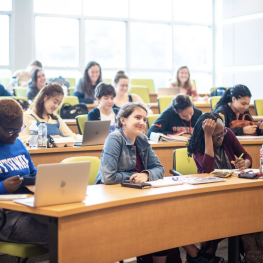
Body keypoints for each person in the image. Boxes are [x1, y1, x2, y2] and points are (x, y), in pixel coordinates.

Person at [95, 102, 223, 263]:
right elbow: (108, 177)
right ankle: (194, 255)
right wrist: (136, 175)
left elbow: (159, 168)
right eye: (137, 117)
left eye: (144, 118)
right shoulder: (114, 139)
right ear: (123, 120)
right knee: (160, 217)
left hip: (137, 194)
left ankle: (193, 255)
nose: (142, 122)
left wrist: (147, 174)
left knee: (166, 213)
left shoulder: (141, 138)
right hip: (113, 199)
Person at [187, 112, 263, 263]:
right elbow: (208, 168)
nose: (221, 138)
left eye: (222, 134)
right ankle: (209, 248)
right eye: (217, 136)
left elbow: (247, 157)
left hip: (231, 190)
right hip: (209, 193)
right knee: (224, 219)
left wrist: (244, 164)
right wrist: (208, 137)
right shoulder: (198, 143)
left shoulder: (228, 134)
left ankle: (209, 249)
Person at [0, 98, 48, 248]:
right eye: (10, 130)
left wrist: (47, 174)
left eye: (19, 128)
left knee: (71, 225)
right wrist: (3, 187)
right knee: (58, 232)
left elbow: (32, 172)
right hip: (5, 216)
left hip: (28, 207)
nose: (16, 135)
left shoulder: (17, 143)